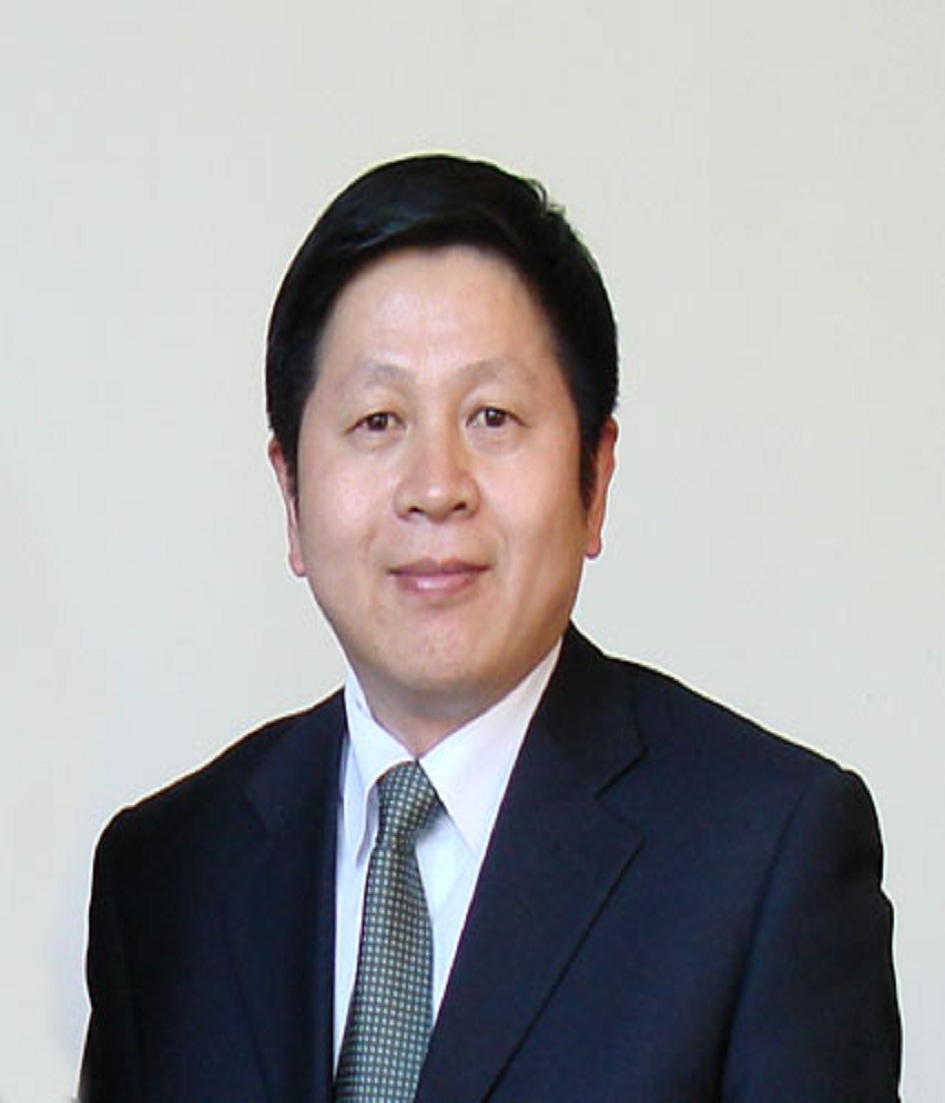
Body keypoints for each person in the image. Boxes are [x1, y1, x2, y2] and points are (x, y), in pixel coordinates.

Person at [79, 154, 901, 1102]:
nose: (436, 487)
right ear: (291, 493)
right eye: (377, 420)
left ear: (595, 478)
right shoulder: (167, 873)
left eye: (493, 416)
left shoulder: (765, 857)